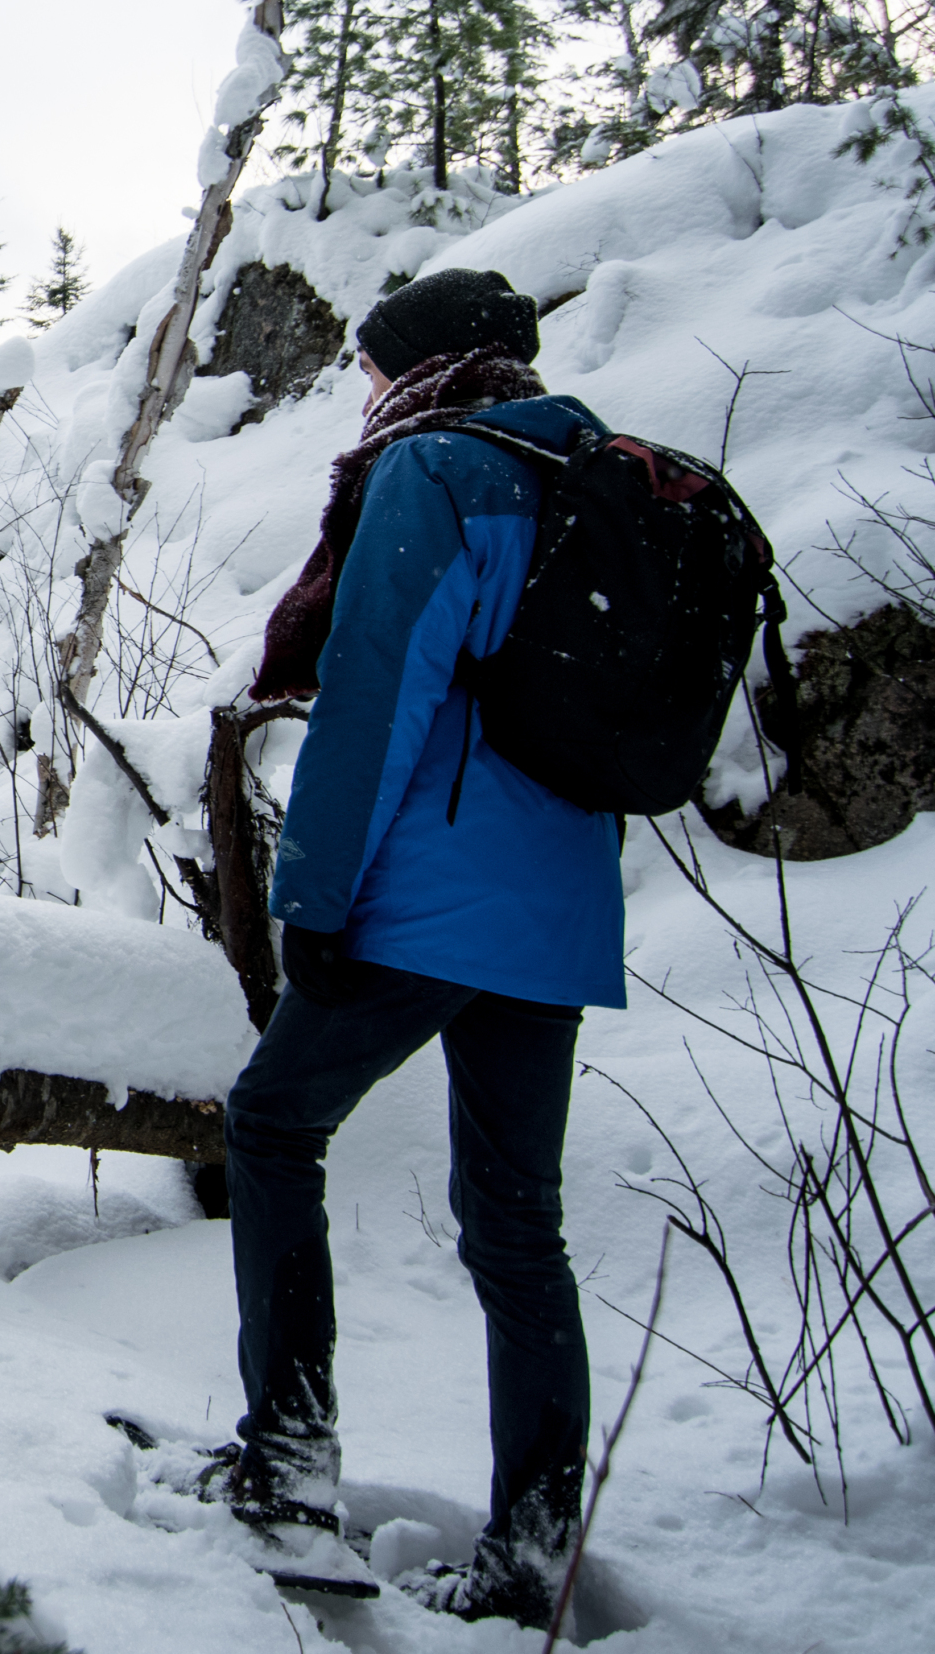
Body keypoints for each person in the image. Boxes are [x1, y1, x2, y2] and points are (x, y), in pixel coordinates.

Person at [219, 267, 624, 1628]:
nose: (369, 393)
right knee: (521, 1227)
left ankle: (285, 1464)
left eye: (378, 367)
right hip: (557, 909)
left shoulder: (438, 470)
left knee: (273, 1124)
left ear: (431, 365)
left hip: (429, 891)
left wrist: (314, 897)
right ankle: (533, 1547)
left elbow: (373, 701)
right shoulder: (596, 476)